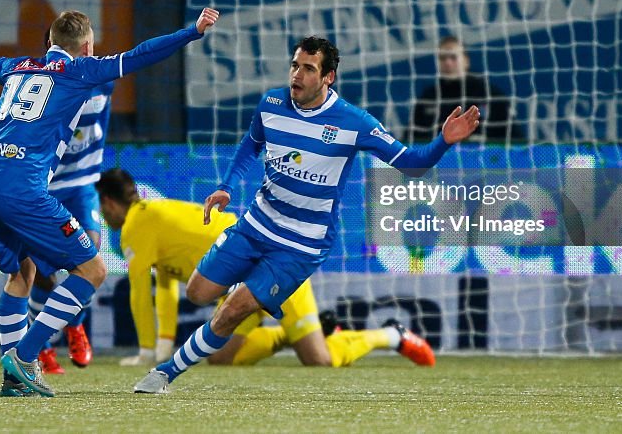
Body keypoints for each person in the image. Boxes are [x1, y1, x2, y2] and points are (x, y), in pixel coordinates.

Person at [133, 35, 479, 394]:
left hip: (301, 244)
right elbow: (251, 144)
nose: (297, 75)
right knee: (198, 293)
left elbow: (412, 164)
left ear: (328, 77)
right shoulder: (271, 103)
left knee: (237, 311)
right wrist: (227, 185)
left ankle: (164, 374)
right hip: (256, 224)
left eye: (308, 69)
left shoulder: (353, 122)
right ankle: (250, 291)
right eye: (295, 65)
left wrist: (444, 141)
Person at [0, 7, 219, 398]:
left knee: (21, 274)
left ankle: (15, 380)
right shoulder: (80, 70)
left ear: (51, 43)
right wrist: (191, 32)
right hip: (22, 189)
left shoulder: (18, 66)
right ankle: (25, 357)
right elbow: (142, 54)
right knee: (92, 269)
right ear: (87, 47)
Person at [96, 168, 434, 371]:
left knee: (319, 360)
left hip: (275, 265)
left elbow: (142, 292)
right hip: (240, 283)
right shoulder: (155, 216)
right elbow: (165, 286)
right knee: (221, 358)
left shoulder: (134, 227)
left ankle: (392, 335)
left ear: (110, 203)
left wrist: (145, 353)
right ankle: (288, 333)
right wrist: (162, 347)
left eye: (102, 207)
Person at [29, 29, 113, 375]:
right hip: (44, 186)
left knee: (89, 255)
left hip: (81, 185)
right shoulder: (35, 82)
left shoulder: (101, 78)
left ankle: (74, 325)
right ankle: (44, 346)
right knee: (39, 273)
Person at [411, 36, 515, 143]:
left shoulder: (488, 94)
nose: (447, 63)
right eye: (442, 58)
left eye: (453, 57)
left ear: (466, 61)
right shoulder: (429, 98)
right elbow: (411, 138)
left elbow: (514, 137)